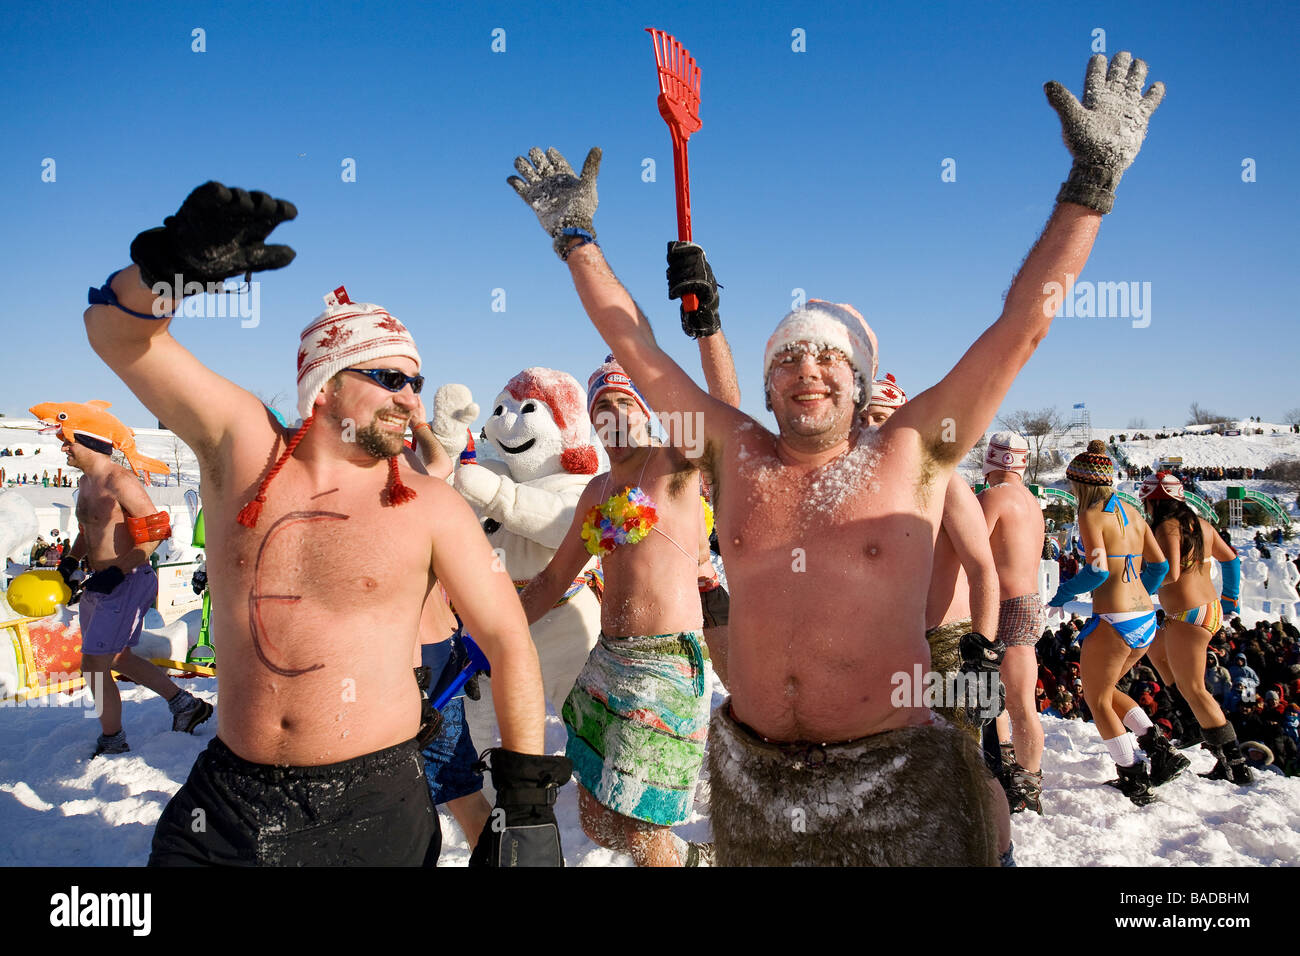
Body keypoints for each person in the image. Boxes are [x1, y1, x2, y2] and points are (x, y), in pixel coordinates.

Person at [509, 49, 1165, 863]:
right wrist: (576, 237)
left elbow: (1020, 326)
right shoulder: (733, 452)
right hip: (752, 776)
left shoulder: (914, 451)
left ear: (856, 382)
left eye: (827, 359)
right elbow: (632, 344)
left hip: (893, 775)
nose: (805, 371)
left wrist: (1091, 186)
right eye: (786, 359)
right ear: (768, 382)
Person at [82, 182, 560, 866]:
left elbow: (510, 641)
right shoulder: (241, 450)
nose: (410, 398)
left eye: (416, 382)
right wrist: (170, 268)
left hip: (375, 804)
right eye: (389, 376)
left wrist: (530, 805)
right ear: (326, 384)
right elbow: (115, 334)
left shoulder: (429, 506)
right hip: (231, 798)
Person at [520, 357, 714, 866]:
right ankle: (697, 862)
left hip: (665, 665)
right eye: (600, 408)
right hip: (607, 662)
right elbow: (551, 580)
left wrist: (705, 328)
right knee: (597, 818)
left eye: (623, 403)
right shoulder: (596, 491)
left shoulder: (675, 464)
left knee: (642, 830)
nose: (612, 416)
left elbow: (722, 405)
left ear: (645, 411)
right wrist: (493, 629)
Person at [867, 374, 1014, 864]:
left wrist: (984, 651)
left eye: (881, 419)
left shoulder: (941, 479)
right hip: (895, 646)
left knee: (969, 767)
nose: (871, 429)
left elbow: (983, 569)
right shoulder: (867, 489)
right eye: (862, 419)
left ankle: (999, 857)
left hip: (951, 644)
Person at [32, 404, 213, 755]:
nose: (64, 448)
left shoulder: (120, 481)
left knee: (94, 664)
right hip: (99, 583)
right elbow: (88, 529)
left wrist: (117, 570)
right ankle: (185, 705)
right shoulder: (86, 482)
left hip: (126, 581)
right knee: (118, 658)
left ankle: (113, 739)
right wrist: (70, 561)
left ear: (89, 443)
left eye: (68, 442)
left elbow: (156, 532)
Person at [1047, 442, 1177, 805]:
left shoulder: (1090, 515)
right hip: (1144, 617)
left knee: (1096, 698)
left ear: (1083, 485)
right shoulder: (1134, 513)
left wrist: (1062, 594)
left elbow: (1097, 570)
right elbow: (1161, 567)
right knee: (1107, 689)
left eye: (1074, 485)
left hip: (1116, 619)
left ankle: (1133, 775)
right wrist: (1138, 596)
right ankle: (1160, 750)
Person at [1140, 471, 1253, 784]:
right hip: (1208, 609)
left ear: (1154, 502)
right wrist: (1231, 598)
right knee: (1155, 649)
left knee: (1195, 689)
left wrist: (1135, 588)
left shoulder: (1166, 528)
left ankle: (1234, 762)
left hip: (1186, 615)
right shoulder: (1201, 524)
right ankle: (1191, 724)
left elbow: (1170, 572)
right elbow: (1231, 560)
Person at [978, 431, 1049, 812]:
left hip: (1006, 603)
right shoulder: (1031, 502)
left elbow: (967, 543)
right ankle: (1019, 774)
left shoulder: (992, 498)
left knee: (1016, 701)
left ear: (991, 460)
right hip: (1029, 601)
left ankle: (1024, 781)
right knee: (1012, 698)